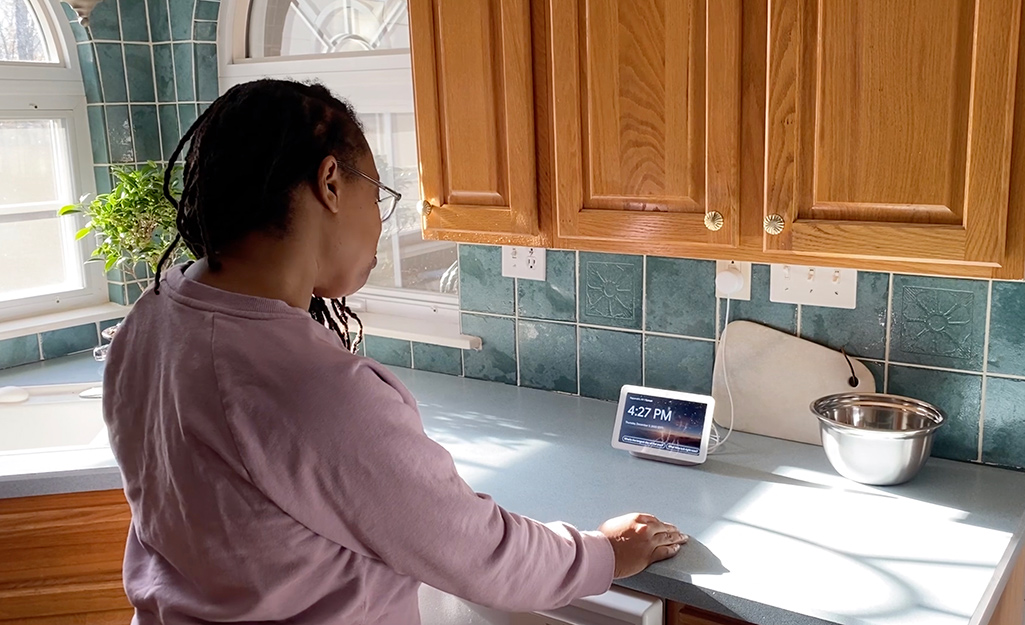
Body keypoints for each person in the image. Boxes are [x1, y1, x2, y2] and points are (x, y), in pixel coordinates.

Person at [102, 78, 688, 625]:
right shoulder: (314, 388)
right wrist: (605, 553)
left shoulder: (154, 315)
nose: (382, 222)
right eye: (377, 192)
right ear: (330, 182)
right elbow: (477, 551)